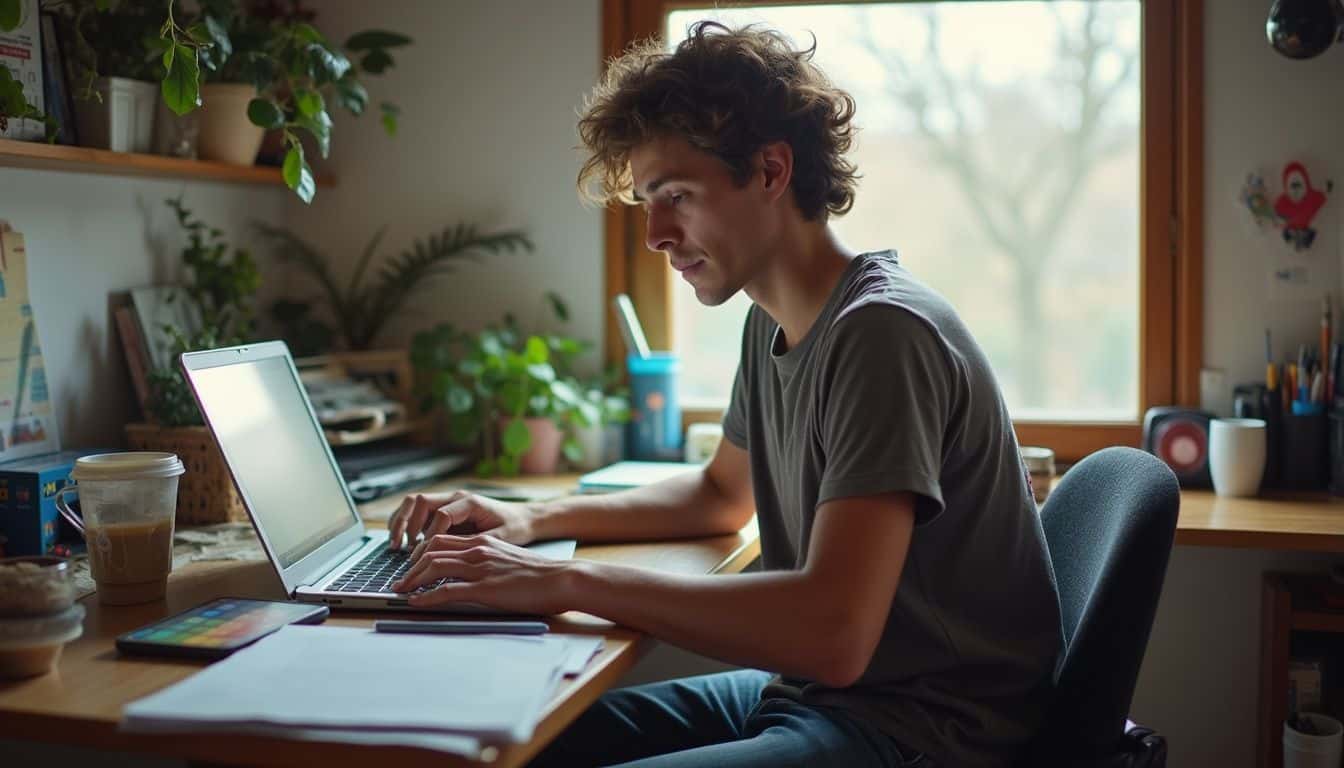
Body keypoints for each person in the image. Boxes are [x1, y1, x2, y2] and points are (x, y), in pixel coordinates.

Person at [387, 21, 1062, 768]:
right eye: (648, 200)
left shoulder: (881, 334)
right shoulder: (772, 323)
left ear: (772, 171)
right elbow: (718, 494)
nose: (654, 235)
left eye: (676, 195)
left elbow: (833, 635)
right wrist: (529, 519)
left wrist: (565, 580)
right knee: (515, 743)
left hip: (924, 731)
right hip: (825, 695)